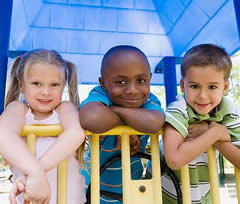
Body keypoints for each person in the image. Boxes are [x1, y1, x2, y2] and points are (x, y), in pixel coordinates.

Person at [80, 45, 165, 203]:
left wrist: (114, 111)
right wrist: (130, 122)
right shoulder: (99, 94)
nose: (132, 90)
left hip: (132, 190)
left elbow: (153, 122)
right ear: (103, 83)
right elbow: (91, 118)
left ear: (150, 78)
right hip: (92, 189)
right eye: (121, 82)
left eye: (141, 80)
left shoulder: (149, 100)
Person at [3, 49, 86, 204]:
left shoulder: (64, 109)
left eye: (54, 85)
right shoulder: (18, 109)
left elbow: (75, 133)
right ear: (21, 85)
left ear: (63, 87)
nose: (46, 92)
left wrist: (36, 173)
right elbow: (3, 133)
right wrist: (35, 173)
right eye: (36, 83)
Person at [162, 43, 240, 204]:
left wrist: (214, 137)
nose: (203, 96)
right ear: (183, 86)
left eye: (212, 87)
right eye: (195, 86)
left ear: (225, 87)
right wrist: (215, 133)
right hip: (164, 195)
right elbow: (174, 160)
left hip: (204, 196)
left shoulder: (228, 110)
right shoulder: (179, 108)